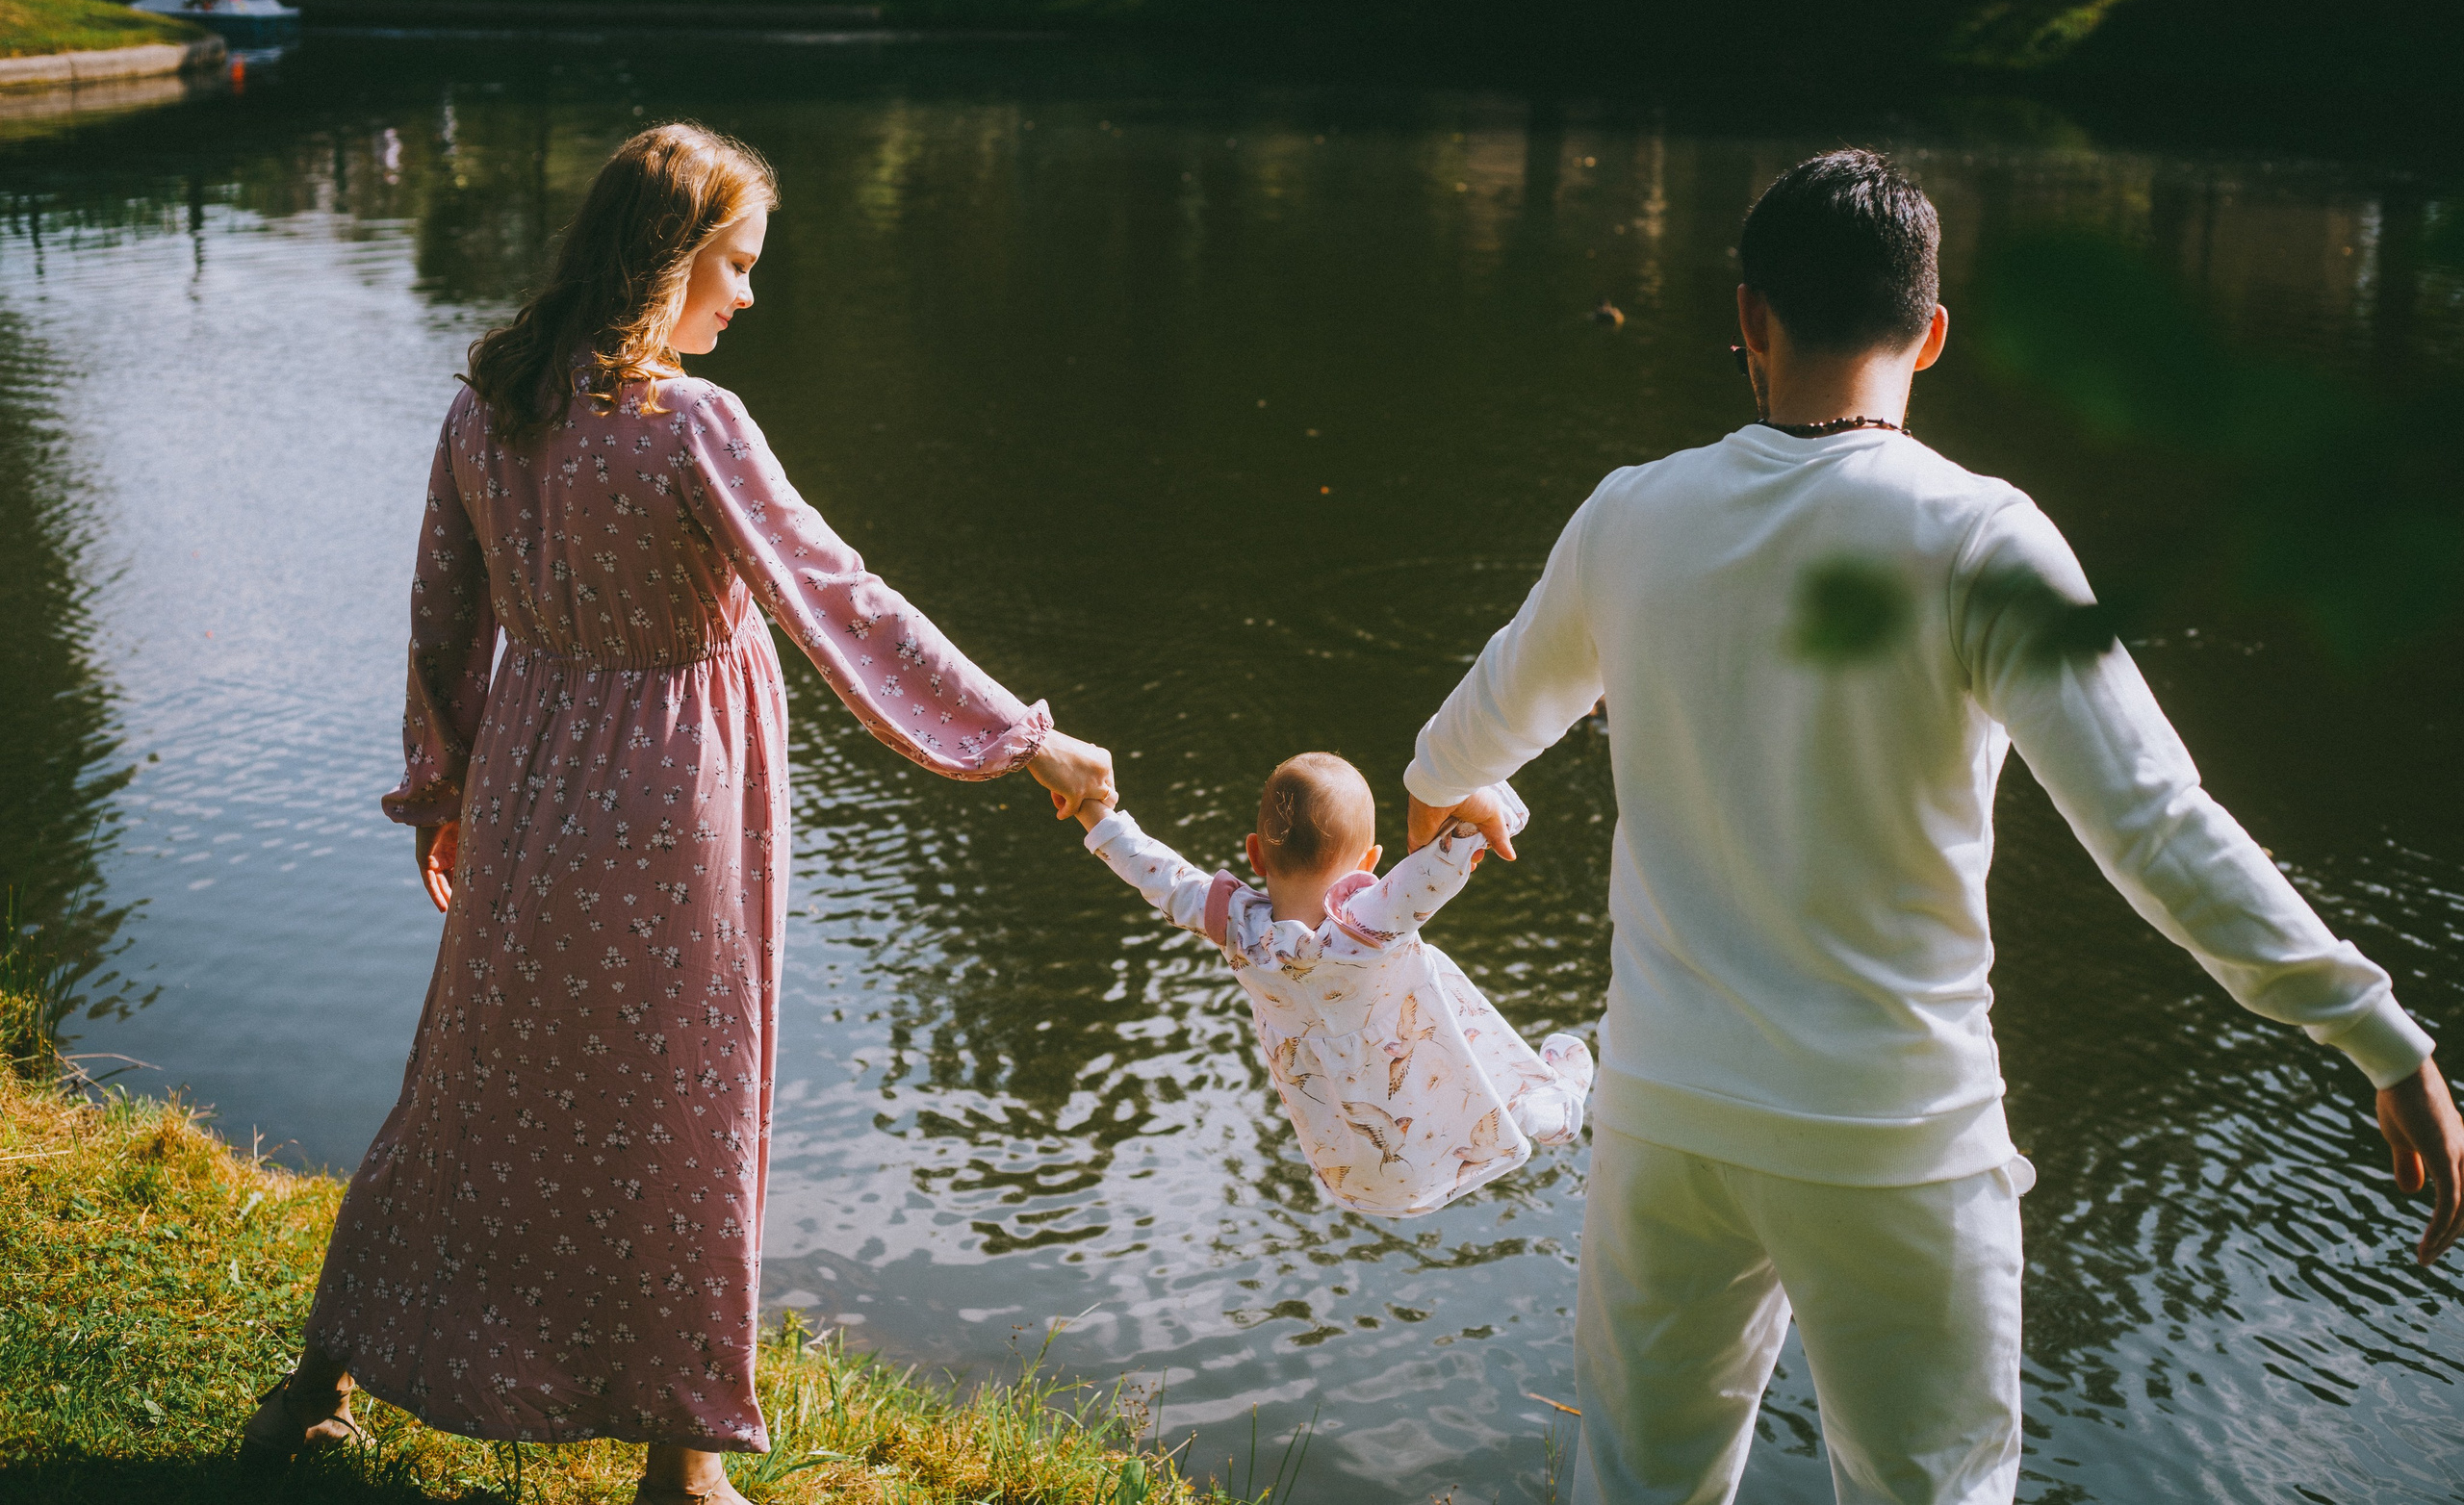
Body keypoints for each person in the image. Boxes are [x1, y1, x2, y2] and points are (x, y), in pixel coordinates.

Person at [1402, 149, 2464, 1505]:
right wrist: (2376, 1027)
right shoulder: (1978, 537)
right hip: (1891, 1133)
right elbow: (2154, 826)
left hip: (1667, 1115)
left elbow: (1456, 750)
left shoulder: (1631, 516)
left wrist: (1459, 797)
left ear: (1749, 318)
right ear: (1934, 334)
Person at [235, 123, 1116, 1505]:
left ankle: (318, 1377)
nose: (750, 297)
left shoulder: (487, 402)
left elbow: (439, 618)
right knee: (686, 1105)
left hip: (530, 777)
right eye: (738, 263)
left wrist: (443, 789)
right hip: (677, 795)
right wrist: (1026, 741)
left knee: (469, 1089)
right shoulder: (690, 424)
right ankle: (682, 1461)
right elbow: (843, 603)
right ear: (667, 261)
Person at [1073, 753, 1593, 1216]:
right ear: (1371, 863)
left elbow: (1158, 874)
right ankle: (1553, 1108)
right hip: (1411, 1055)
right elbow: (1440, 867)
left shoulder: (1234, 927)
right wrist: (1483, 811)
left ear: (1255, 854)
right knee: (1480, 1077)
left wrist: (1091, 808)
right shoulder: (1373, 922)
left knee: (1385, 1142)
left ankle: (1381, 1186)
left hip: (1336, 1094)